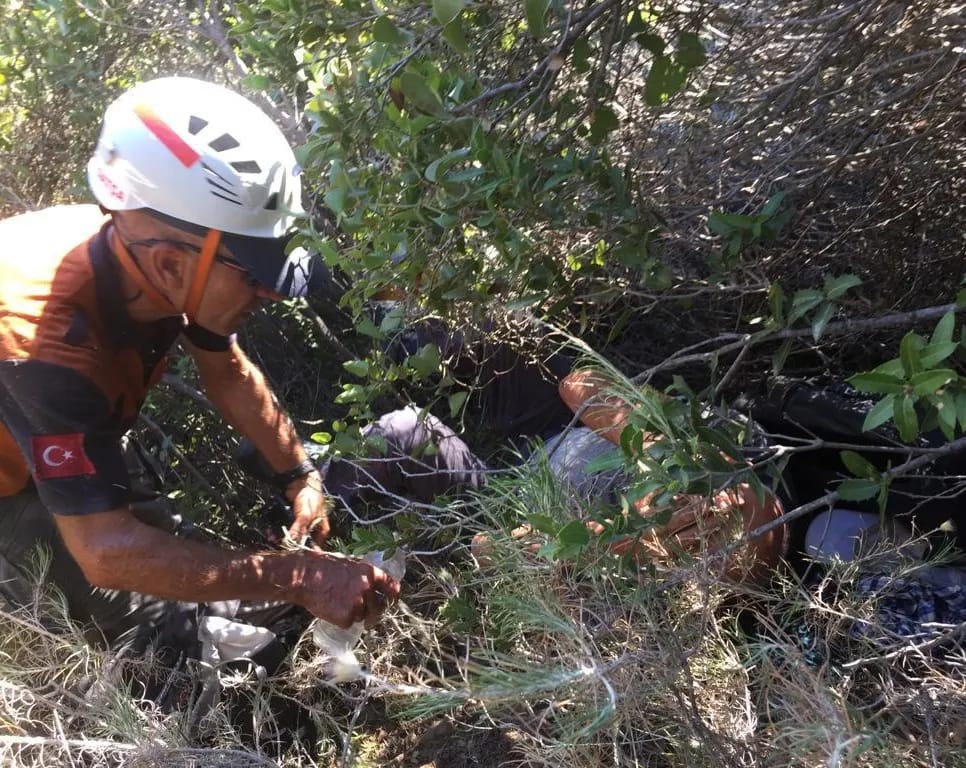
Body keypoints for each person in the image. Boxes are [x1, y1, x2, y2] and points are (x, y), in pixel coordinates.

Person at [0, 77, 398, 650]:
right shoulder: (45, 347)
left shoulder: (153, 256)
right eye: (257, 275)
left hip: (68, 427)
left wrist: (299, 474)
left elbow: (228, 372)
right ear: (170, 266)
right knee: (145, 628)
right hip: (8, 481)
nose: (272, 293)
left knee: (165, 557)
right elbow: (106, 551)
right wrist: (300, 575)